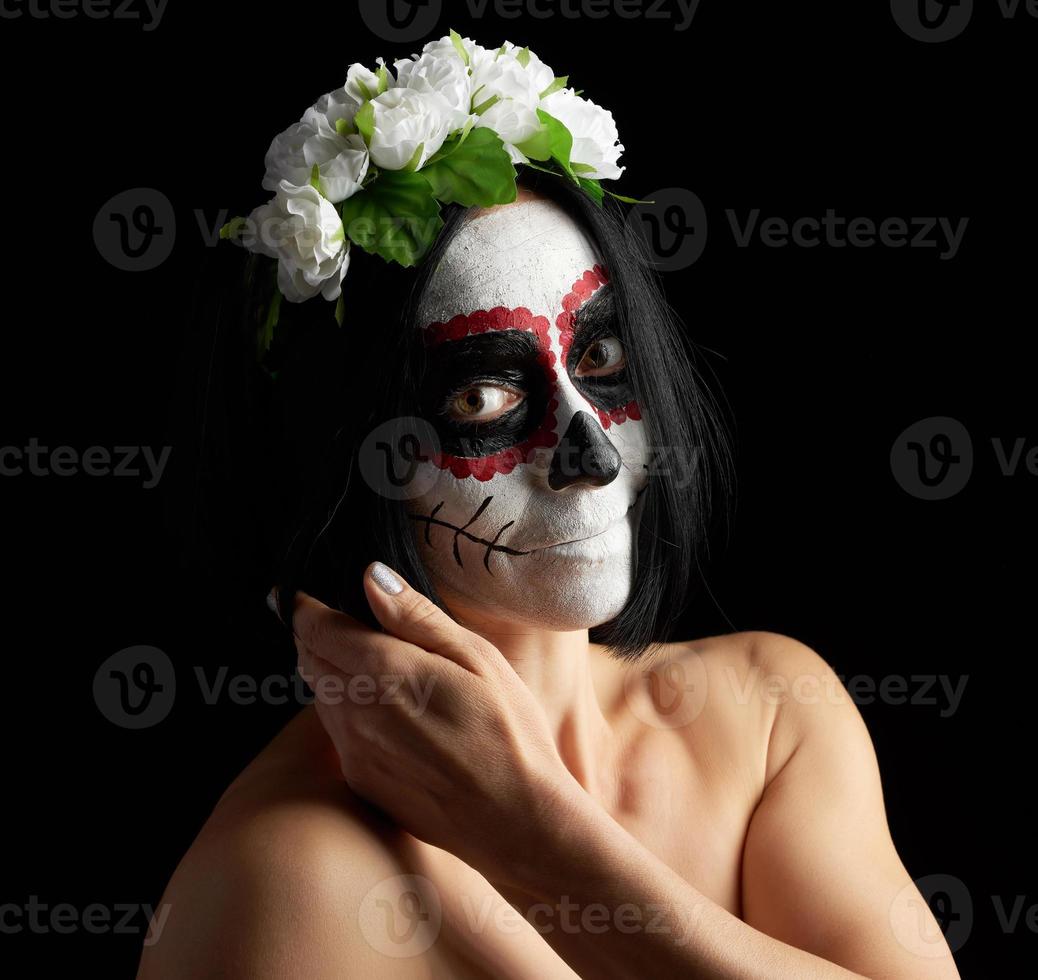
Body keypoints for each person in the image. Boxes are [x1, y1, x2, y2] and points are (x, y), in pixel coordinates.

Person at [138, 170, 960, 978]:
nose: (594, 455)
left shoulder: (767, 714)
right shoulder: (289, 879)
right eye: (480, 399)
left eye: (599, 354)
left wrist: (535, 840)